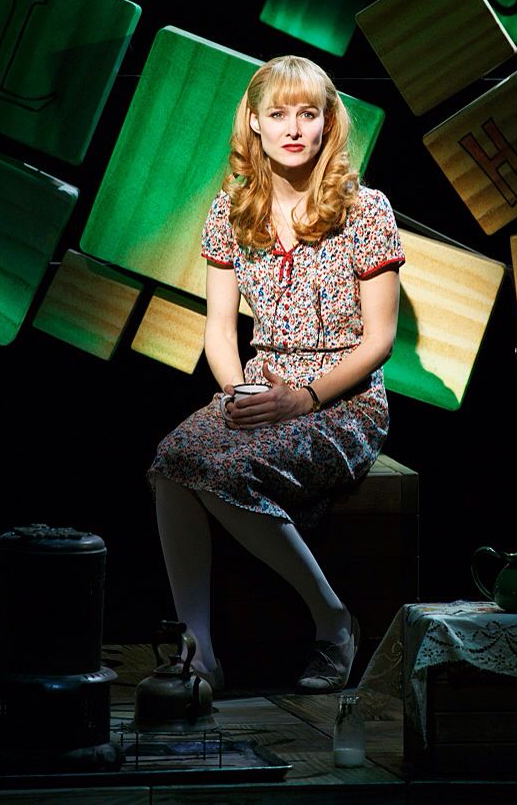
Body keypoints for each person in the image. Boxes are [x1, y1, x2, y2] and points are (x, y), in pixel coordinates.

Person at [148, 54, 404, 696]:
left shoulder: (366, 210)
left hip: (342, 399)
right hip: (259, 385)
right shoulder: (231, 212)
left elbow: (380, 341)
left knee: (226, 471)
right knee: (171, 460)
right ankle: (197, 656)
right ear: (255, 125)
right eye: (279, 114)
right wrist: (239, 393)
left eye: (307, 114)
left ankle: (334, 621)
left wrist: (305, 399)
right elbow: (218, 330)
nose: (293, 128)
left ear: (326, 125)